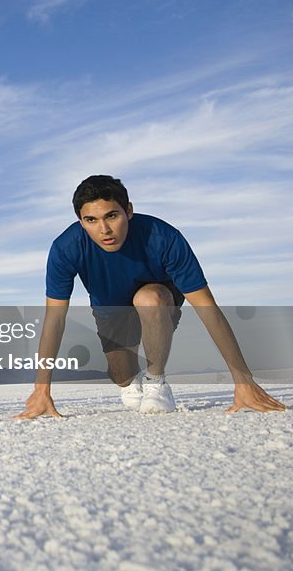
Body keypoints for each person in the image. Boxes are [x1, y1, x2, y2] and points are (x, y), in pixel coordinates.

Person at [16, 175, 286, 418]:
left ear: (129, 211)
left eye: (112, 216)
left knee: (150, 297)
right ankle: (131, 381)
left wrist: (243, 381)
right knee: (121, 375)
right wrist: (42, 389)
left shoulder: (163, 237)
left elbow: (207, 309)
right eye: (92, 220)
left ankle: (156, 382)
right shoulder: (66, 248)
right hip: (111, 312)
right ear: (81, 222)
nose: (104, 229)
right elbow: (55, 320)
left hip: (158, 303)